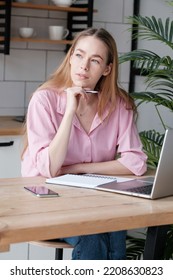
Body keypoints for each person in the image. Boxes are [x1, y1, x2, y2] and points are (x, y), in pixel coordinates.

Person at [21, 27, 147, 260]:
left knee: (114, 226)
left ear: (107, 69)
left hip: (95, 200)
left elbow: (136, 163)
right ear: (70, 58)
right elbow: (49, 169)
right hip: (47, 199)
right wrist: (69, 111)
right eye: (79, 55)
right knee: (91, 234)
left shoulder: (119, 105)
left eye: (95, 60)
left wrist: (79, 168)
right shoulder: (44, 100)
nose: (84, 66)